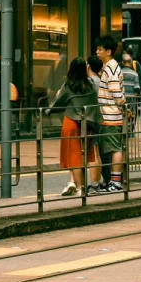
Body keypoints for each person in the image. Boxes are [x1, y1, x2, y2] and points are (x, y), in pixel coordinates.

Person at [50, 57, 99, 196]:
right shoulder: (90, 86)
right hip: (86, 124)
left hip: (70, 122)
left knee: (74, 157)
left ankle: (79, 188)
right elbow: (95, 105)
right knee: (82, 156)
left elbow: (57, 103)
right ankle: (81, 186)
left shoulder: (68, 86)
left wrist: (48, 110)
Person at [90, 35, 126, 193]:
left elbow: (115, 90)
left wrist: (121, 104)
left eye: (100, 49)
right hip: (111, 114)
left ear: (108, 51)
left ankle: (116, 182)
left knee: (114, 148)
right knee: (112, 148)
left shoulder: (111, 66)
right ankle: (113, 180)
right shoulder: (110, 66)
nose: (97, 52)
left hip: (111, 114)